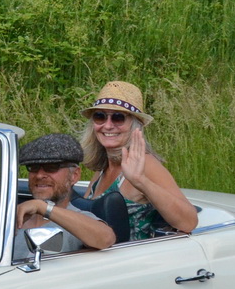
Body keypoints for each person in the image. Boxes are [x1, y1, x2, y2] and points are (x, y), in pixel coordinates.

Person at [79, 81, 198, 239]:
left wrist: (140, 180)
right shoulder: (103, 169)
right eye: (100, 117)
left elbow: (189, 221)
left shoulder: (146, 164)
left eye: (118, 118)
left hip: (134, 260)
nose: (107, 126)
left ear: (135, 125)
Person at [11, 133, 118, 258]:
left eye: (51, 167)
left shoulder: (79, 218)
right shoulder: (9, 216)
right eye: (33, 168)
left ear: (74, 175)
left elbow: (106, 238)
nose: (39, 175)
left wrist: (43, 208)